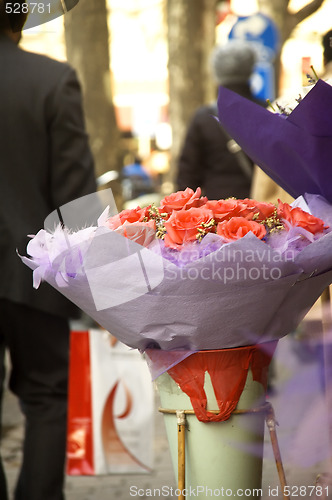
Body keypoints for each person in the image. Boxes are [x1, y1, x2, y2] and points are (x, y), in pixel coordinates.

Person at [0, 3, 97, 499]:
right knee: (46, 396)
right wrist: (105, 294)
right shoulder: (51, 81)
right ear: (19, 18)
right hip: (32, 273)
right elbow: (77, 200)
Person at [177, 40, 262, 200]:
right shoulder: (269, 112)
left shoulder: (203, 118)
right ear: (251, 69)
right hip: (262, 209)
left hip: (217, 213)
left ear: (215, 72)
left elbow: (187, 176)